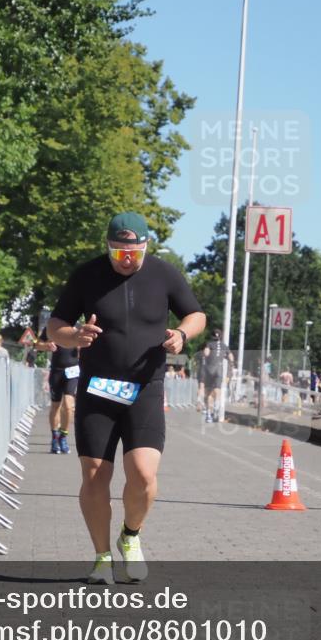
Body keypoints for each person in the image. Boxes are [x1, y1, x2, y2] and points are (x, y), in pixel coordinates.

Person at [45, 212, 206, 585]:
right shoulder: (87, 275)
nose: (127, 260)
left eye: (133, 253)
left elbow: (196, 314)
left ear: (147, 246)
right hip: (97, 389)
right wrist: (73, 336)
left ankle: (130, 536)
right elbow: (56, 324)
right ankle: (102, 557)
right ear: (108, 247)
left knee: (144, 475)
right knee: (95, 476)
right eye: (118, 253)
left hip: (145, 388)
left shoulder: (165, 274)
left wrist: (182, 334)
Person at [39, 329, 80, 455]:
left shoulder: (78, 328)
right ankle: (54, 438)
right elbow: (38, 344)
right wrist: (46, 345)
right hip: (57, 371)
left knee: (68, 405)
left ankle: (63, 437)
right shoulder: (53, 326)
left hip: (72, 371)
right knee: (55, 406)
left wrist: (81, 348)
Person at [202, 329, 233, 423]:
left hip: (210, 369)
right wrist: (230, 366)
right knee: (217, 391)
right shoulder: (224, 346)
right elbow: (231, 357)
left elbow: (206, 353)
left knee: (208, 392)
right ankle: (216, 407)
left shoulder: (209, 344)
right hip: (219, 370)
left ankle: (208, 413)